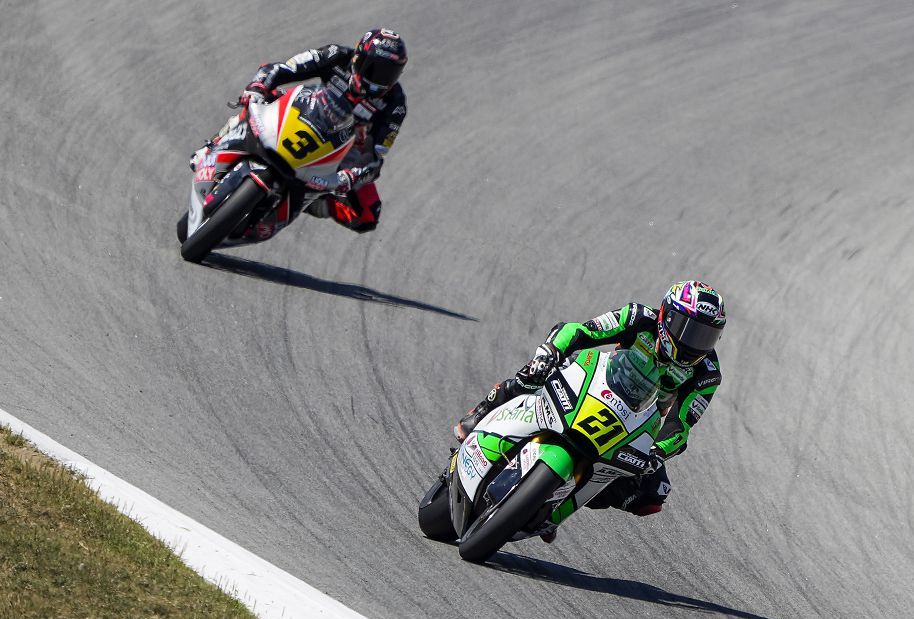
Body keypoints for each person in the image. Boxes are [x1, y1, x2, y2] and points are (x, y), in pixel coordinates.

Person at [454, 280, 726, 541]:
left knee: (652, 494)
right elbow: (580, 330)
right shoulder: (637, 317)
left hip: (638, 421)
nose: (694, 343)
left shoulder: (707, 374)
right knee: (532, 375)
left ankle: (550, 500)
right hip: (595, 384)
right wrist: (550, 352)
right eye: (688, 329)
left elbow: (681, 425)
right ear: (666, 316)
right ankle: (482, 411)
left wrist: (658, 453)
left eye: (706, 336)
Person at [190, 27, 408, 234]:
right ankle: (214, 145)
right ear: (358, 58)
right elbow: (284, 68)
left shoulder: (395, 104)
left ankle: (312, 200)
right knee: (263, 97)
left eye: (390, 74)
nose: (380, 79)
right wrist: (257, 87)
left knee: (368, 215)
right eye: (374, 69)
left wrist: (349, 178)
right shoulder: (335, 55)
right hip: (304, 113)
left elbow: (376, 154)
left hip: (341, 150)